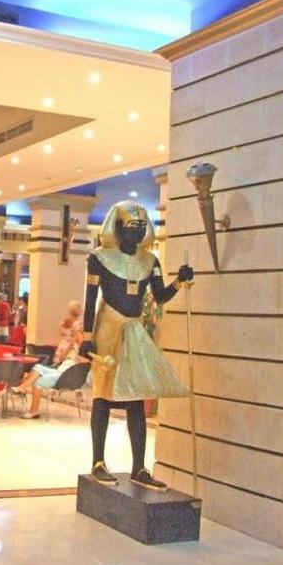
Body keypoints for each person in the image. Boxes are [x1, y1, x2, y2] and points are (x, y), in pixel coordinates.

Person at [79, 201, 193, 490]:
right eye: (133, 226)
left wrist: (179, 281)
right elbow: (90, 301)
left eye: (143, 226)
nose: (139, 232)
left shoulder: (150, 260)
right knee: (103, 396)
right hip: (108, 330)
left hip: (134, 330)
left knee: (136, 398)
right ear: (118, 227)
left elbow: (160, 297)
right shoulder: (99, 258)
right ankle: (98, 462)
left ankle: (139, 467)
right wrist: (86, 338)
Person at [13, 301, 84, 418]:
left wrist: (73, 351)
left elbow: (80, 362)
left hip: (65, 373)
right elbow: (67, 352)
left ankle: (33, 409)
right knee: (37, 367)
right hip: (62, 368)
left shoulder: (80, 351)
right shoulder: (74, 344)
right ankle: (24, 388)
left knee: (38, 380)